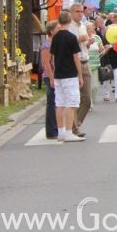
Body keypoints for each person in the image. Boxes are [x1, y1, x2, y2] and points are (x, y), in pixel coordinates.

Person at [49, 11, 85, 142]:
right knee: (72, 103)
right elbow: (76, 57)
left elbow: (52, 57)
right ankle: (69, 132)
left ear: (59, 22)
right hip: (69, 74)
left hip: (58, 74)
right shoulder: (71, 37)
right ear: (69, 22)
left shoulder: (55, 37)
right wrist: (80, 75)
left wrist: (53, 74)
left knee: (60, 103)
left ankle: (61, 132)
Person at [70, 4, 92, 138]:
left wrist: (87, 43)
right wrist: (80, 39)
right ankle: (73, 128)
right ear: (71, 13)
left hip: (85, 61)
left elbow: (83, 45)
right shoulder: (69, 26)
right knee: (74, 99)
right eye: (77, 12)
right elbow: (69, 43)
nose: (80, 14)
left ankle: (76, 124)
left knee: (87, 99)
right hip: (74, 63)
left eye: (81, 12)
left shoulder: (83, 25)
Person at [40, 21, 59, 139]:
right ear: (52, 31)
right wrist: (52, 79)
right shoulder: (47, 45)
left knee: (56, 103)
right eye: (58, 28)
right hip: (50, 76)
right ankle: (51, 131)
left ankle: (56, 128)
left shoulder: (55, 43)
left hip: (57, 75)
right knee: (51, 103)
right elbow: (46, 64)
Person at [100, 26, 117, 102]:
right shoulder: (104, 37)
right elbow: (103, 48)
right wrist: (107, 47)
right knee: (106, 78)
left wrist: (115, 47)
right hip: (107, 60)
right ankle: (106, 95)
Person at [85, 23, 103, 108]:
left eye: (91, 28)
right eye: (88, 28)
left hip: (95, 65)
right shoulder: (83, 38)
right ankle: (89, 103)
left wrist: (105, 49)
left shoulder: (97, 38)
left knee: (95, 86)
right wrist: (88, 43)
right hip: (86, 65)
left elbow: (101, 50)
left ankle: (92, 100)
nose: (90, 30)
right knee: (88, 86)